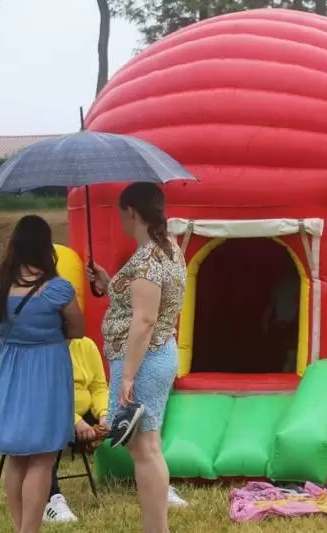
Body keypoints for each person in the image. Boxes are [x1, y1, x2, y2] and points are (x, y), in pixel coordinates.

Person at [87, 182, 187, 533]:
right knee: (149, 447)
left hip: (144, 360)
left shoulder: (146, 261)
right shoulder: (168, 248)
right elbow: (142, 302)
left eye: (121, 213)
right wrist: (109, 283)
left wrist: (128, 376)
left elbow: (144, 320)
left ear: (130, 211)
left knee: (144, 451)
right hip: (160, 353)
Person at [0, 215, 84, 533]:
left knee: (16, 457)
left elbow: (0, 325)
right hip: (47, 372)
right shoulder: (57, 289)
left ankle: (20, 527)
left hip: (11, 370)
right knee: (43, 458)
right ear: (46, 247)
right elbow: (78, 328)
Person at [44, 337, 187, 522]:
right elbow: (47, 395)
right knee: (45, 431)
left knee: (133, 422)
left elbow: (98, 387)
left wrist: (104, 416)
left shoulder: (86, 345)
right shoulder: (46, 350)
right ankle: (50, 499)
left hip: (88, 411)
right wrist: (75, 421)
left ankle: (156, 487)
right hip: (54, 413)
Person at [262, 256, 300, 372]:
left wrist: (264, 321)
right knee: (291, 358)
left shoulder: (279, 283)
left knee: (282, 357)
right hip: (290, 324)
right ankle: (286, 379)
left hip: (278, 323)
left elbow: (271, 304)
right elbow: (299, 302)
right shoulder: (299, 282)